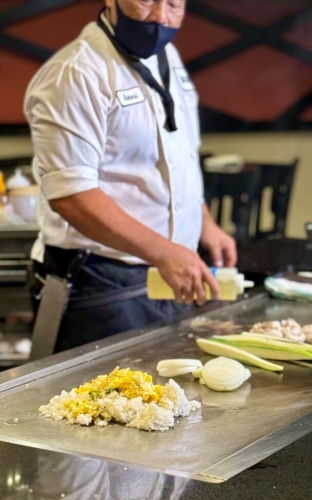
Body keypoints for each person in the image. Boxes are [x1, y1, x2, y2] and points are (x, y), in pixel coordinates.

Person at [24, 0, 237, 352]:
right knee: (94, 406)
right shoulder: (75, 73)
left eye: (173, 4)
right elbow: (71, 196)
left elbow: (176, 156)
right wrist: (165, 253)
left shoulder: (169, 57)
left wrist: (205, 224)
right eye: (145, 0)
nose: (160, 17)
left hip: (167, 274)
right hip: (99, 286)